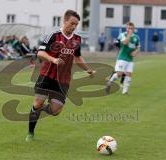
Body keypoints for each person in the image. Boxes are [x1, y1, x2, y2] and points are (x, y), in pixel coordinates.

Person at [26, 10, 95, 141]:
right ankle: (30, 132)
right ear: (65, 21)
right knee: (38, 102)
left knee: (55, 110)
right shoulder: (53, 35)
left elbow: (78, 58)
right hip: (46, 76)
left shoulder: (77, 39)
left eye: (76, 24)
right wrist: (53, 60)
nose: (74, 26)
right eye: (72, 23)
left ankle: (38, 111)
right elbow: (40, 53)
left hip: (63, 80)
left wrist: (88, 69)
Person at [106, 22, 140, 94]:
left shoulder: (136, 37)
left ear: (134, 29)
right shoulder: (122, 35)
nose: (129, 29)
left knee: (129, 74)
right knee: (120, 74)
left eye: (131, 28)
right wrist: (129, 36)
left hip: (130, 59)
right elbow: (124, 43)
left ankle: (125, 91)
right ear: (126, 28)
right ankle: (110, 82)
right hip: (122, 58)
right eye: (128, 28)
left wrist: (135, 52)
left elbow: (138, 48)